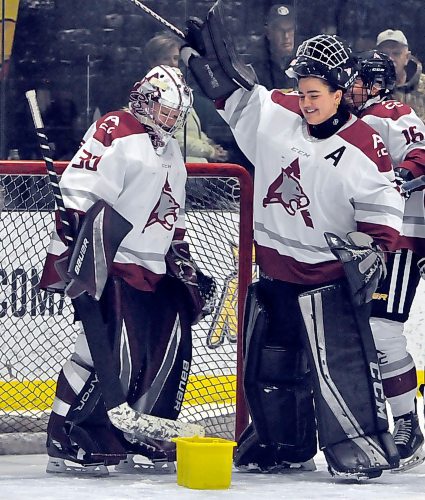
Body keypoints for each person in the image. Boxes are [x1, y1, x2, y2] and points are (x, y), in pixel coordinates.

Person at [182, 5, 404, 479]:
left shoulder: (367, 145)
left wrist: (368, 250)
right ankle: (283, 444)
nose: (305, 102)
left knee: (340, 370)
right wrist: (221, 72)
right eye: (302, 91)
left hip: (328, 281)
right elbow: (238, 100)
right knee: (271, 366)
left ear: (341, 92)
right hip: (278, 273)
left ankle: (360, 447)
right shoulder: (277, 110)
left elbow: (384, 223)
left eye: (316, 94)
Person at [39, 65, 201, 474]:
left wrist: (179, 254)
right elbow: (81, 188)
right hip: (109, 262)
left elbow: (173, 211)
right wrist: (73, 234)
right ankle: (66, 432)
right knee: (102, 350)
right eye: (165, 111)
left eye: (175, 114)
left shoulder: (168, 148)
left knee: (157, 347)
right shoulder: (118, 128)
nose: (171, 120)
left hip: (153, 268)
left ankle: (140, 432)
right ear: (145, 100)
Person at [349, 50, 425, 471]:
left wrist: (400, 178)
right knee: (366, 330)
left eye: (357, 80)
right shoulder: (349, 119)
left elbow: (420, 156)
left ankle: (408, 425)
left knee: (382, 328)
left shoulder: (392, 111)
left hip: (404, 236)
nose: (350, 87)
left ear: (376, 85)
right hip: (377, 239)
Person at [145, 32, 228, 162]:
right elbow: (173, 139)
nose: (173, 64)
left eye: (175, 58)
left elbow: (190, 130)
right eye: (166, 59)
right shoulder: (154, 94)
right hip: (178, 172)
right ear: (153, 62)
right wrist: (209, 151)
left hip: (194, 171)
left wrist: (209, 144)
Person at [376, 29, 425, 122]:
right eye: (384, 54)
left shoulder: (423, 86)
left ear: (407, 57)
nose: (390, 58)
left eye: (396, 54)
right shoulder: (368, 89)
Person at [248, 4, 297, 90]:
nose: (286, 36)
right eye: (280, 30)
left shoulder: (304, 58)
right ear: (268, 33)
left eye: (290, 29)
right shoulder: (257, 63)